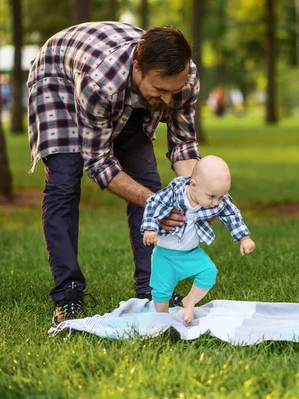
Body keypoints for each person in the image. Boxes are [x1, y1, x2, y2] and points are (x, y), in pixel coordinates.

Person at [27, 22, 202, 324]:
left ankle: (152, 289)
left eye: (173, 91)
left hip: (117, 88)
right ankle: (68, 291)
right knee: (65, 182)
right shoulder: (100, 83)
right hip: (59, 79)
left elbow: (183, 143)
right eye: (160, 90)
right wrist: (156, 203)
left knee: (147, 183)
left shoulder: (185, 78)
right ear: (137, 67)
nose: (167, 101)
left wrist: (197, 193)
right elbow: (100, 164)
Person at [141, 155, 256, 324]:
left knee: (209, 272)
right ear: (193, 186)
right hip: (165, 254)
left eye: (221, 197)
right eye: (212, 197)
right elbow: (153, 204)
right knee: (161, 291)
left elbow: (231, 214)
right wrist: (150, 228)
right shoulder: (173, 193)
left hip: (191, 253)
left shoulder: (214, 198)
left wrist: (244, 238)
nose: (216, 202)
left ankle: (190, 301)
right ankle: (163, 318)